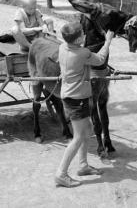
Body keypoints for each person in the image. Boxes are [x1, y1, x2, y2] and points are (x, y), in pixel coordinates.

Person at [55, 22, 114, 188]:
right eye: (82, 34)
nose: (85, 35)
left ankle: (83, 165)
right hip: (76, 99)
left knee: (87, 130)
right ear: (78, 39)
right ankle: (61, 173)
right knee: (79, 137)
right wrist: (108, 41)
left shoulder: (62, 48)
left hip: (73, 96)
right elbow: (101, 60)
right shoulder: (83, 53)